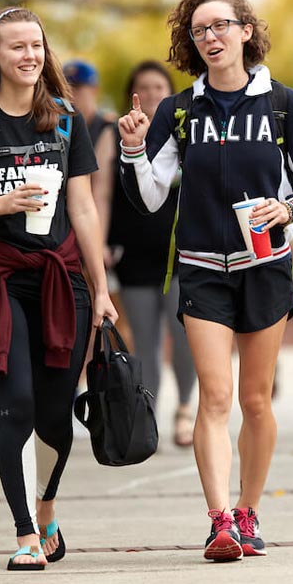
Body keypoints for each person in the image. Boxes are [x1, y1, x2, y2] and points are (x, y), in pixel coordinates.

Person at [118, 0, 293, 561]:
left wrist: (288, 210)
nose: (209, 37)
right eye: (197, 31)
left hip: (266, 267)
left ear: (244, 32)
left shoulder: (283, 105)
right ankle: (219, 523)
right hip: (202, 269)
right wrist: (134, 150)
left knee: (255, 400)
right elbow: (151, 196)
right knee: (215, 396)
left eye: (219, 26)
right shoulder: (179, 110)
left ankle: (248, 511)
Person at [0, 7, 117, 571]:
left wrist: (102, 289)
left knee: (57, 415)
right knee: (17, 406)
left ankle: (47, 507)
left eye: (36, 45)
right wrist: (3, 203)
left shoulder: (64, 120)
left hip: (63, 280)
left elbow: (82, 206)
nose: (29, 55)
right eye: (16, 46)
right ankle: (24, 535)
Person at [94, 60, 197, 447]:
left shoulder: (184, 131)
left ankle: (186, 408)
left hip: (182, 254)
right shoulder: (112, 133)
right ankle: (149, 414)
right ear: (131, 94)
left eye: (159, 87)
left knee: (185, 335)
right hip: (133, 253)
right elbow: (102, 193)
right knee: (145, 341)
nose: (152, 94)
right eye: (144, 87)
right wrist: (100, 242)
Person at [63, 59, 114, 146]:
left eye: (76, 87)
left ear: (95, 89)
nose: (69, 93)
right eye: (64, 88)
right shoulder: (58, 129)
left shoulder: (110, 128)